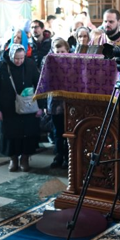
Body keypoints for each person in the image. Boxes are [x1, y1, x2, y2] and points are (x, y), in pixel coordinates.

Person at [0, 44, 43, 172]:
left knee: (28, 134)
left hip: (28, 107)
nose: (19, 61)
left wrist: (41, 106)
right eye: (16, 58)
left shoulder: (30, 65)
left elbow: (40, 85)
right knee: (10, 134)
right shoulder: (1, 66)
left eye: (22, 58)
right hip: (8, 108)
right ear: (11, 56)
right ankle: (13, 159)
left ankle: (24, 158)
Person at [44, 38, 71, 169]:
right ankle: (59, 155)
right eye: (57, 51)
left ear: (67, 51)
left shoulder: (72, 64)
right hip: (55, 104)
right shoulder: (49, 63)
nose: (60, 54)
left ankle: (68, 157)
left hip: (69, 104)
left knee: (69, 133)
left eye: (62, 51)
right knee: (57, 132)